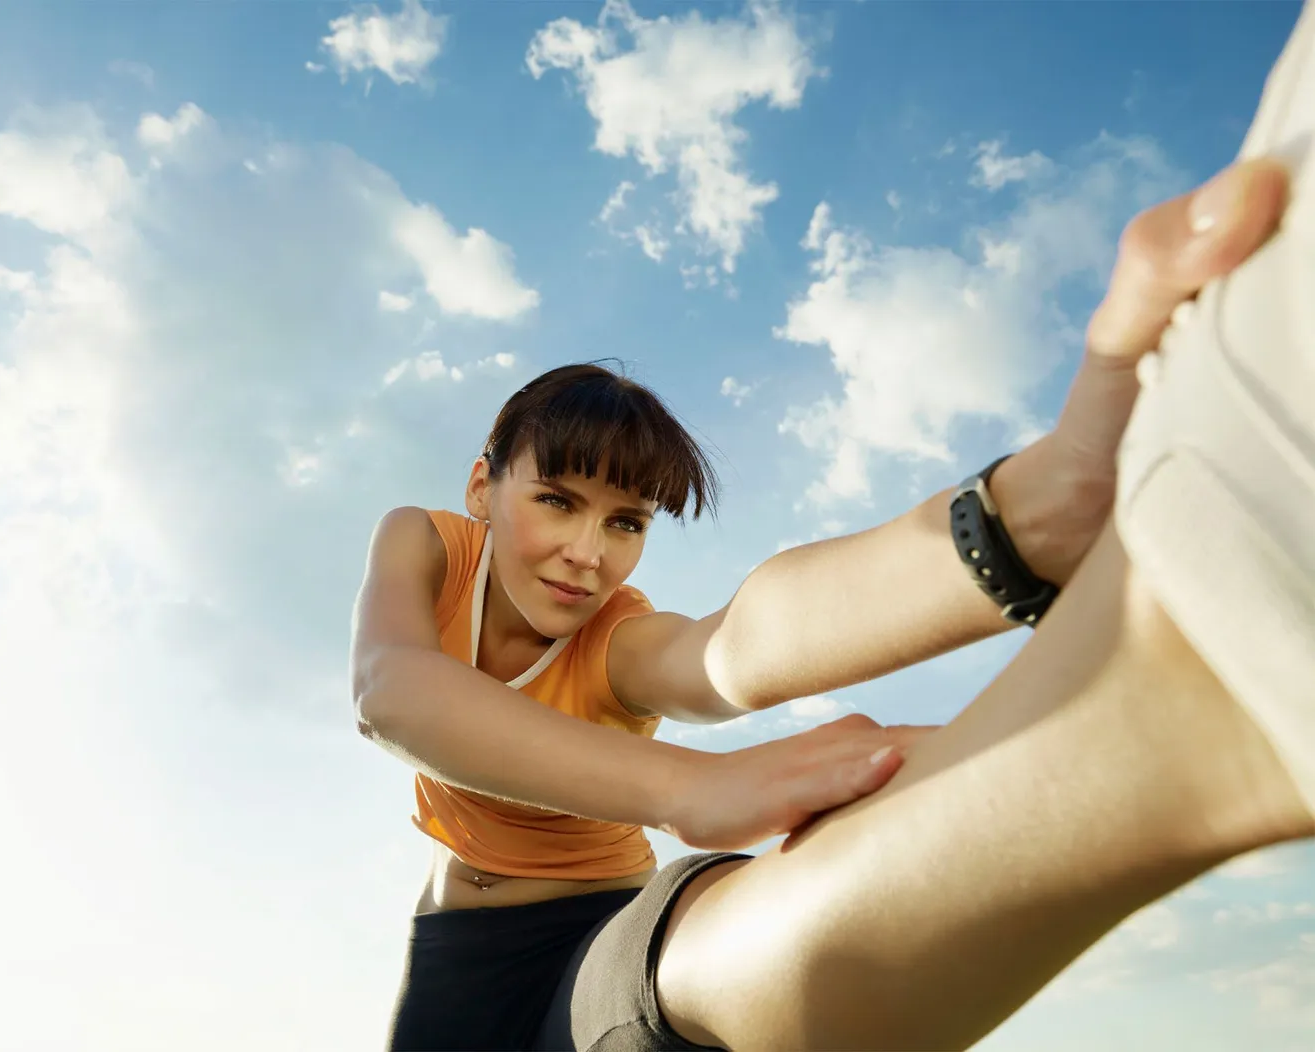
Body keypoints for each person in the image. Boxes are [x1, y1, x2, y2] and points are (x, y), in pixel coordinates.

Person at [352, 7, 1313, 1048]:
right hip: (449, 965)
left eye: (626, 520)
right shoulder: (427, 543)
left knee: (689, 983)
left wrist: (1036, 514)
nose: (590, 549)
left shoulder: (615, 637)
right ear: (484, 486)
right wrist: (693, 784)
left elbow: (733, 648)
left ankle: (1185, 691)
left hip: (602, 930)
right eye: (557, 501)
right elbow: (394, 690)